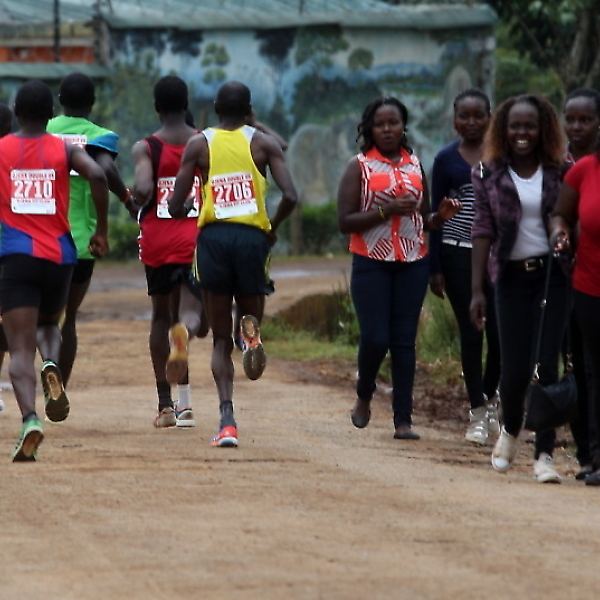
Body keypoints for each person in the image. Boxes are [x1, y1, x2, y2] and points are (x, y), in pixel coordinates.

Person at [168, 80, 298, 447]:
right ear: (250, 110)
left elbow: (175, 206)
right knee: (251, 307)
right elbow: (291, 195)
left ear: (215, 109)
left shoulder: (199, 144)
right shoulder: (263, 143)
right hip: (252, 239)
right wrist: (271, 227)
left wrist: (195, 198)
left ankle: (227, 421)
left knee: (219, 339)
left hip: (214, 240)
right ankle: (251, 333)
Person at [337, 96, 462, 440]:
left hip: (412, 262)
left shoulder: (415, 166)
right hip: (371, 262)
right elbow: (344, 222)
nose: (387, 129)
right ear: (370, 129)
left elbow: (424, 219)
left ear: (403, 126)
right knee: (376, 337)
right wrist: (386, 210)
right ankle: (365, 393)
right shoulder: (359, 166)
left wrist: (440, 217)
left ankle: (403, 420)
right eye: (380, 124)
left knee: (404, 343)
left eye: (393, 123)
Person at [0, 80, 109, 461]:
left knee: (18, 346)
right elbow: (99, 176)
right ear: (51, 114)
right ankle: (51, 363)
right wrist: (101, 231)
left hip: (16, 257)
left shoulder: (2, 149)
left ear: (16, 112)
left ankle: (30, 419)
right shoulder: (65, 149)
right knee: (49, 324)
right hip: (60, 257)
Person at [470, 93, 568, 483]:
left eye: (530, 126)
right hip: (509, 279)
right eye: (515, 126)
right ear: (503, 130)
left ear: (543, 129)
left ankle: (544, 454)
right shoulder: (486, 172)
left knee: (547, 367)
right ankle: (510, 429)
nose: (522, 133)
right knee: (514, 371)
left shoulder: (562, 169)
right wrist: (477, 289)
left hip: (553, 276)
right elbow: (482, 229)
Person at [131, 75, 208, 428]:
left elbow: (143, 187)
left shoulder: (146, 147)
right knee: (191, 315)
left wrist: (135, 197)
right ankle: (186, 403)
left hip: (158, 241)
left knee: (161, 317)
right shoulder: (204, 143)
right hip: (197, 239)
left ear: (156, 107)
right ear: (186, 103)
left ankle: (166, 406)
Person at [47, 72, 131, 387]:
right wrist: (126, 199)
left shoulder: (41, 130)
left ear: (60, 100)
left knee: (35, 317)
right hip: (80, 243)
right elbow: (104, 170)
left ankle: (39, 367)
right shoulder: (99, 137)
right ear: (92, 103)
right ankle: (59, 388)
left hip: (39, 240)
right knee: (68, 318)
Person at [429, 88, 501, 446]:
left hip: (499, 258)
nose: (471, 122)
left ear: (490, 118)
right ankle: (477, 413)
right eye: (464, 116)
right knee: (472, 334)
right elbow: (435, 216)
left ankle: (489, 399)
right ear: (454, 121)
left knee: (501, 337)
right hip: (457, 255)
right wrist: (435, 267)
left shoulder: (503, 156)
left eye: (478, 115)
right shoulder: (445, 160)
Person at [550, 92, 600, 486]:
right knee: (586, 369)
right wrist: (560, 235)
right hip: (581, 284)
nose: (577, 126)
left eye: (586, 119)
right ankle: (590, 453)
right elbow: (559, 215)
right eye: (572, 119)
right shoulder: (576, 168)